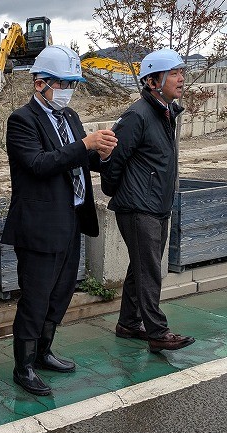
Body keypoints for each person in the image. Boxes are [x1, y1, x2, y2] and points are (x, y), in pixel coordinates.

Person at [1, 45, 117, 396]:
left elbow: (81, 160)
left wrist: (102, 153)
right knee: (36, 297)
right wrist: (85, 145)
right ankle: (23, 365)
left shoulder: (69, 117)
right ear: (40, 83)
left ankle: (44, 351)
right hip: (40, 225)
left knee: (61, 292)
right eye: (63, 84)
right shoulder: (22, 120)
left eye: (73, 84)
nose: (69, 90)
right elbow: (39, 164)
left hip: (71, 220)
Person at [101, 48, 195, 353]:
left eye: (182, 72)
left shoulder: (166, 113)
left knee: (141, 266)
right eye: (174, 73)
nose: (181, 78)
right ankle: (157, 332)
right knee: (150, 270)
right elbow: (114, 159)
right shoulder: (137, 115)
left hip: (157, 204)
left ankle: (129, 322)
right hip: (139, 206)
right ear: (153, 81)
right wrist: (117, 191)